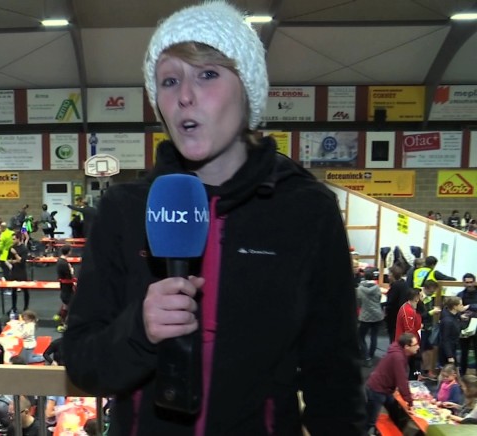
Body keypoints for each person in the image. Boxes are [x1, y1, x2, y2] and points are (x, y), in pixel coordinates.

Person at [63, 2, 364, 434]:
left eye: (207, 74)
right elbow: (83, 362)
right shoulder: (124, 209)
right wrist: (140, 330)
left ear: (248, 90)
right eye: (169, 80)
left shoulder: (306, 210)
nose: (185, 94)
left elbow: (334, 375)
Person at [365, 333, 420, 434]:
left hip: (386, 389)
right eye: (415, 345)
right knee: (370, 421)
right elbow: (401, 380)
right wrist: (409, 400)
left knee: (395, 412)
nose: (418, 347)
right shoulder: (398, 357)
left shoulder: (401, 352)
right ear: (407, 346)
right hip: (377, 390)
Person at [440, 296, 468, 367]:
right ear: (455, 307)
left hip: (454, 347)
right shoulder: (447, 321)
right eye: (461, 305)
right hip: (448, 350)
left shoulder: (456, 315)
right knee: (447, 371)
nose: (463, 306)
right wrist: (449, 356)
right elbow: (445, 339)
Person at [458, 273, 477, 376]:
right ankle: (462, 374)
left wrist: (469, 306)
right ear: (464, 283)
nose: (469, 284)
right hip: (465, 325)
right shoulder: (460, 295)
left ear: (474, 282)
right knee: (463, 351)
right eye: (467, 282)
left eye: (471, 282)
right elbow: (457, 308)